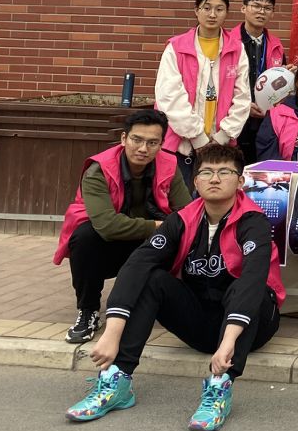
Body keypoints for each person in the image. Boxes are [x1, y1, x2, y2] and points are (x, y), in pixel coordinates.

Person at [64, 143, 284, 431]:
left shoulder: (253, 222)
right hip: (202, 323)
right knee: (152, 277)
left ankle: (219, 388)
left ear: (240, 181)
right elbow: (137, 264)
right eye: (206, 172)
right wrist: (112, 333)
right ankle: (119, 380)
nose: (214, 179)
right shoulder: (182, 219)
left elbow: (253, 280)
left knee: (249, 285)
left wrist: (229, 340)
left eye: (224, 172)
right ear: (195, 181)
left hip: (250, 326)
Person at [53, 108, 193, 344]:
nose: (143, 148)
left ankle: (184, 303)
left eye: (152, 143)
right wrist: (160, 225)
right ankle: (88, 311)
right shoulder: (98, 170)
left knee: (190, 233)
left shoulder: (169, 165)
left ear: (161, 144)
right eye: (137, 140)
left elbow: (187, 213)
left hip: (152, 244)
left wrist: (169, 229)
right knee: (84, 236)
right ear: (123, 138)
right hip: (111, 246)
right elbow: (107, 225)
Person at [155, 0, 251, 190]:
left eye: (219, 9)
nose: (212, 14)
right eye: (207, 8)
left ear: (227, 12)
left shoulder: (236, 48)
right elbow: (169, 97)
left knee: (216, 199)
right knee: (180, 201)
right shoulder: (176, 47)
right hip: (180, 146)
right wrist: (198, 138)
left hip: (220, 145)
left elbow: (242, 97)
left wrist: (223, 136)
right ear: (196, 10)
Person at [235, 0, 285, 170]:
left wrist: (287, 76)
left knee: (262, 171)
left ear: (272, 12)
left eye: (267, 8)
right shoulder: (229, 42)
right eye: (256, 6)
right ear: (244, 8)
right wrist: (243, 106)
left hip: (266, 121)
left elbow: (279, 84)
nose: (261, 11)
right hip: (235, 119)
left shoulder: (276, 45)